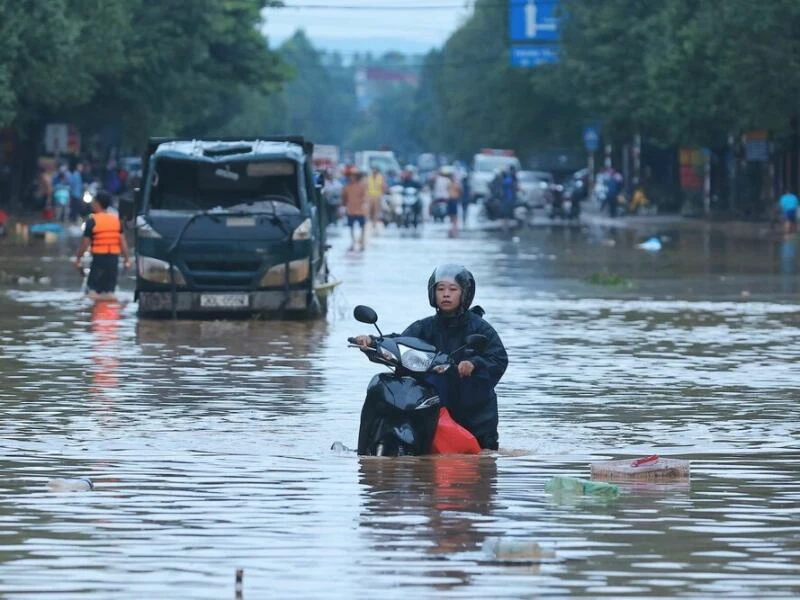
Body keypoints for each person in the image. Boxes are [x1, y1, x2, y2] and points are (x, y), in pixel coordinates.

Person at [354, 264, 508, 450]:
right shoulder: (425, 327)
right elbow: (402, 342)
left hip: (472, 411)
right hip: (431, 404)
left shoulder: (481, 328)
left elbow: (498, 359)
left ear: (464, 294)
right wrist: (372, 341)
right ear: (432, 292)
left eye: (453, 289)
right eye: (440, 289)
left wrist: (474, 364)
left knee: (479, 463)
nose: (446, 294)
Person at [73, 191, 131, 298]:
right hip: (113, 260)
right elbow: (123, 242)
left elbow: (84, 244)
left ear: (97, 203)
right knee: (109, 293)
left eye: (94, 201)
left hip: (99, 260)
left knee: (92, 292)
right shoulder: (116, 221)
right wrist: (127, 259)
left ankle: (93, 310)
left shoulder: (92, 222)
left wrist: (78, 259)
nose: (92, 204)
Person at [341, 167, 367, 252]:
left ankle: (362, 243)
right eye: (351, 176)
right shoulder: (346, 187)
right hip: (351, 210)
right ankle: (352, 243)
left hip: (360, 210)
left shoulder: (362, 186)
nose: (352, 178)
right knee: (351, 227)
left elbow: (365, 197)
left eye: (354, 176)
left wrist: (364, 205)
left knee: (362, 227)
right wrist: (342, 207)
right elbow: (343, 199)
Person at [365, 165, 386, 234]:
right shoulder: (369, 178)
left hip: (377, 196)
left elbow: (383, 187)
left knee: (376, 212)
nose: (374, 172)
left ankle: (374, 225)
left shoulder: (380, 178)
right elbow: (366, 186)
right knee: (369, 211)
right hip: (369, 196)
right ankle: (369, 225)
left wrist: (382, 194)